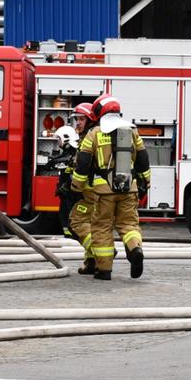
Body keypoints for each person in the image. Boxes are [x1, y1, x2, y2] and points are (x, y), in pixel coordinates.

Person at [73, 94, 150, 279]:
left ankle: (105, 270)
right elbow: (143, 159)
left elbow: (83, 162)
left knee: (102, 227)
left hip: (103, 191)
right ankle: (134, 249)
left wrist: (77, 185)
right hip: (129, 188)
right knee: (129, 224)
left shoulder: (95, 133)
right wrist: (145, 182)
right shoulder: (132, 131)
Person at [58, 101, 99, 274]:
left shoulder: (90, 137)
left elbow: (84, 167)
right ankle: (91, 263)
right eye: (77, 120)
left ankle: (101, 252)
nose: (78, 123)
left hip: (90, 191)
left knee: (76, 223)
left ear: (89, 120)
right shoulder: (88, 136)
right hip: (91, 190)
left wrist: (72, 186)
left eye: (81, 119)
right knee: (88, 225)